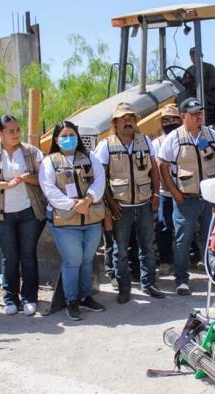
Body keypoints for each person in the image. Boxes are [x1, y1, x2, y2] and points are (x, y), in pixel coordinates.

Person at [0, 114, 47, 316]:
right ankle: (10, 298)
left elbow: (43, 179)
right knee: (10, 256)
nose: (16, 134)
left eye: (18, 130)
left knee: (28, 255)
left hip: (28, 212)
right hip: (0, 215)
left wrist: (27, 178)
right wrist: (6, 184)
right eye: (11, 131)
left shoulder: (31, 152)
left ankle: (30, 298)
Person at [94, 103, 164, 303]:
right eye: (123, 119)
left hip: (144, 203)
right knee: (120, 249)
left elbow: (154, 171)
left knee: (148, 247)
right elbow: (102, 178)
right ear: (115, 123)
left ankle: (149, 284)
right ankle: (124, 288)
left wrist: (156, 195)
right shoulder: (106, 145)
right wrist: (111, 204)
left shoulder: (145, 141)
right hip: (121, 206)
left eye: (130, 118)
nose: (127, 122)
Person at [39, 121, 106, 321]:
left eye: (72, 135)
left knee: (87, 259)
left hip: (91, 217)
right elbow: (48, 189)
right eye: (64, 136)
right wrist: (74, 204)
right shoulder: (49, 161)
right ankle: (71, 300)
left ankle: (86, 296)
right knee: (73, 261)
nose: (69, 139)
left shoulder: (89, 157)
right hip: (65, 220)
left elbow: (100, 180)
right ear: (56, 139)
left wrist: (88, 199)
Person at [158, 97, 215, 295]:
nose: (198, 117)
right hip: (187, 199)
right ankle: (181, 279)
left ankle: (214, 275)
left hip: (210, 197)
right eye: (193, 114)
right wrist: (175, 193)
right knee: (182, 240)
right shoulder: (174, 138)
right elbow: (162, 165)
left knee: (212, 239)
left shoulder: (211, 135)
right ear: (183, 116)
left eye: (199, 113)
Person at [152, 104, 183, 276]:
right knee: (164, 226)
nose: (170, 122)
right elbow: (157, 168)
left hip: (185, 191)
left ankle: (193, 257)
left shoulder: (186, 139)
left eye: (173, 119)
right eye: (166, 120)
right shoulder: (156, 143)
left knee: (187, 227)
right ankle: (165, 260)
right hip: (165, 192)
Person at [181, 47, 215, 127]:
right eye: (192, 56)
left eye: (195, 55)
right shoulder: (189, 70)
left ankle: (203, 123)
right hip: (192, 96)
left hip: (211, 96)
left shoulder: (209, 67)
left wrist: (196, 85)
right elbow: (184, 83)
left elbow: (214, 82)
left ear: (201, 56)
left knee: (200, 101)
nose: (194, 58)